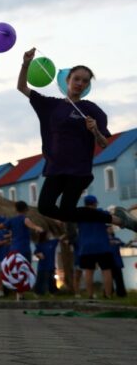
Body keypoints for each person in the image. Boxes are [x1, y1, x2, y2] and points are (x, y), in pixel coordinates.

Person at [17, 51, 137, 232]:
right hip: (55, 168)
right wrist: (26, 64)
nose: (80, 83)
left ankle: (119, 220)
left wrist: (95, 130)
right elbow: (22, 87)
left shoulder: (91, 110)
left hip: (78, 170)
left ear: (88, 85)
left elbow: (103, 143)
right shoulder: (50, 105)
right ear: (67, 80)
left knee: (66, 210)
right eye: (77, 79)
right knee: (46, 207)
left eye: (85, 81)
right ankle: (118, 219)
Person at [76, 195, 115, 299]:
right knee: (106, 270)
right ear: (95, 203)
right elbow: (111, 220)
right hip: (103, 245)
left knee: (88, 271)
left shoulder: (79, 215)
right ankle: (108, 295)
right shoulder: (102, 213)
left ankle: (90, 295)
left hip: (86, 247)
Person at [33, 232, 60, 296]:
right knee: (40, 280)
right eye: (48, 234)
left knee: (52, 280)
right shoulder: (39, 244)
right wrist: (38, 254)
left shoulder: (52, 243)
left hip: (51, 266)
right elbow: (36, 252)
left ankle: (53, 292)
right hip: (42, 267)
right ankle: (38, 292)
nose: (49, 235)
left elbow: (59, 239)